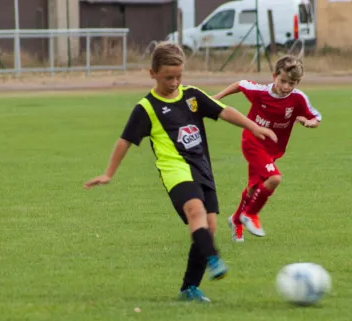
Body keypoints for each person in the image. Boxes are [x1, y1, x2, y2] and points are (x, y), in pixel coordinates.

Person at [84, 42, 278, 302]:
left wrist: (253, 127)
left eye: (179, 76)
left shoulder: (192, 96)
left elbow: (224, 111)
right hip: (175, 170)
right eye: (168, 77)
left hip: (202, 168)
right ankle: (214, 259)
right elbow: (125, 140)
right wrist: (108, 173)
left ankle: (189, 288)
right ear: (151, 73)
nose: (174, 82)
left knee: (208, 228)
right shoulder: (147, 108)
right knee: (195, 211)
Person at [212, 55, 322, 243]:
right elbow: (240, 84)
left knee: (253, 189)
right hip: (252, 141)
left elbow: (315, 116)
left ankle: (236, 220)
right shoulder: (260, 92)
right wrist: (217, 97)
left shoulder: (298, 99)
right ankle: (251, 215)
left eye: (292, 83)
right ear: (274, 76)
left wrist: (310, 122)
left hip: (273, 150)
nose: (286, 87)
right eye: (283, 81)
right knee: (274, 178)